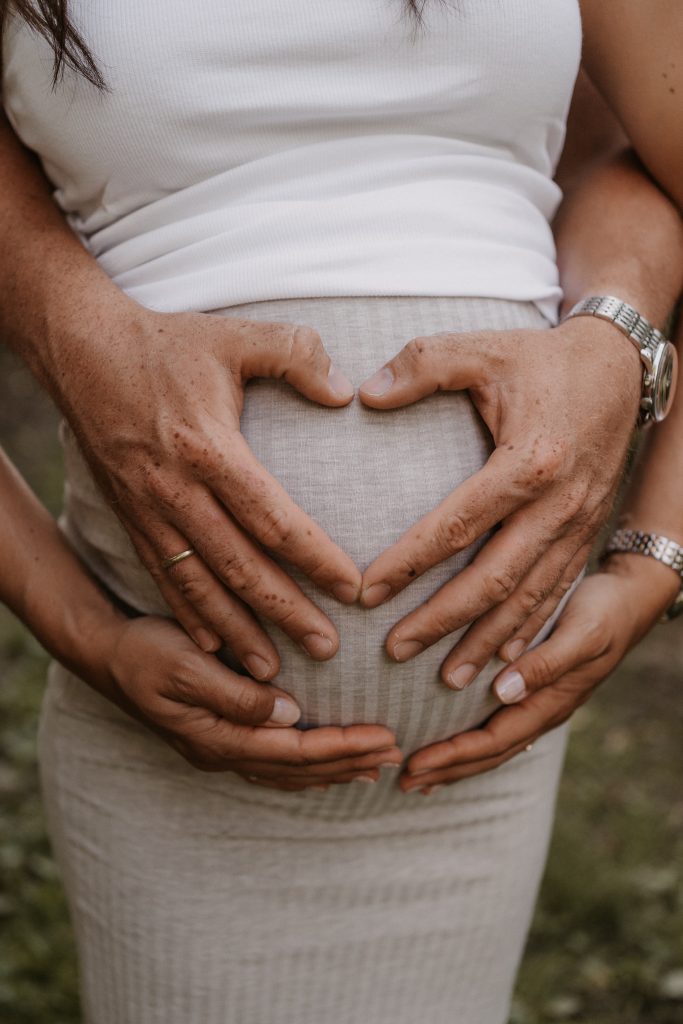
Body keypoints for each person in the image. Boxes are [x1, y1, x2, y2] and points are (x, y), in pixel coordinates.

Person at [1, 1, 682, 1021]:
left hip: (476, 770)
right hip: (165, 781)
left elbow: (630, 159)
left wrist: (654, 547)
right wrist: (84, 630)